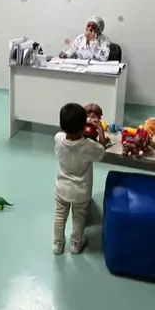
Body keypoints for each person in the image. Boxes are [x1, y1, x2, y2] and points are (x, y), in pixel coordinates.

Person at [53, 102, 107, 255]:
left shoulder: (58, 138)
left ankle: (58, 244)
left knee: (59, 215)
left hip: (61, 189)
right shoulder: (89, 146)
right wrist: (100, 129)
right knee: (79, 217)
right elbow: (102, 149)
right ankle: (76, 244)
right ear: (84, 126)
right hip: (81, 192)